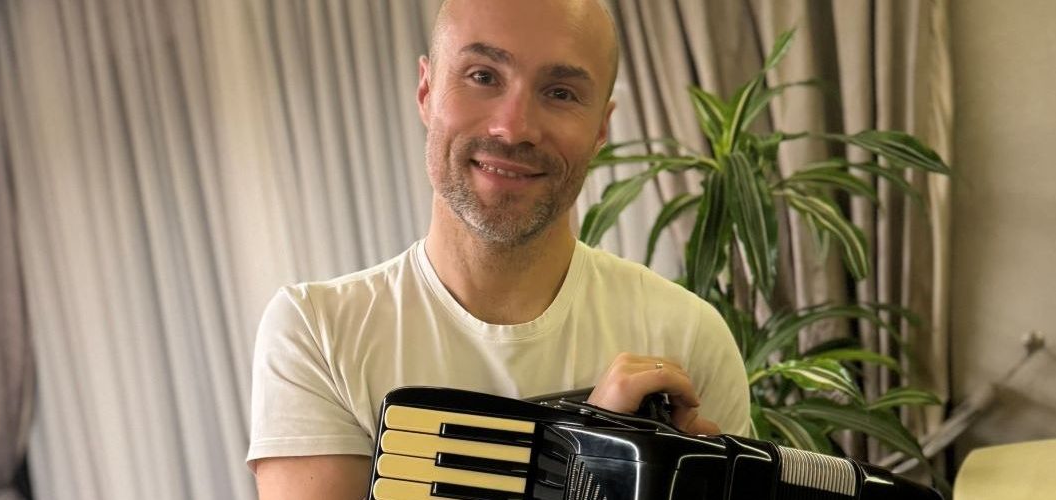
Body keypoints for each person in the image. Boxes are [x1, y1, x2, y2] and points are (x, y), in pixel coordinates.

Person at [246, 0, 751, 498]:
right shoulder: (317, 332)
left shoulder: (689, 336)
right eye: (483, 76)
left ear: (601, 127)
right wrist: (590, 459)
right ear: (426, 91)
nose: (513, 128)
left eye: (560, 92)